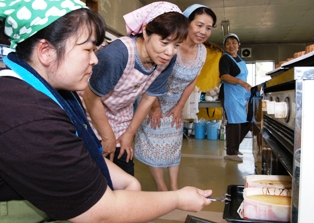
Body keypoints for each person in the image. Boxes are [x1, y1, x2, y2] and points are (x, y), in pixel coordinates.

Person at [0, 1, 214, 222]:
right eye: (88, 49)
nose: (95, 59)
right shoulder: (30, 118)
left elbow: (77, 152)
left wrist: (129, 178)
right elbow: (100, 212)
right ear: (46, 51)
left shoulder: (48, 90)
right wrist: (177, 199)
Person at [82, 2, 190, 176]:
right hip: (89, 112)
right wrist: (107, 136)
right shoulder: (117, 55)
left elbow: (148, 98)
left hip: (120, 115)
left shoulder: (166, 61)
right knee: (94, 174)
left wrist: (129, 134)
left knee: (124, 170)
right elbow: (90, 97)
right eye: (164, 42)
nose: (170, 52)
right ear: (146, 31)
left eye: (176, 45)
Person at [134, 4, 217, 191]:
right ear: (187, 23)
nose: (203, 31)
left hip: (176, 104)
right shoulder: (171, 46)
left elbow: (192, 81)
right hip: (153, 100)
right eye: (199, 25)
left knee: (173, 144)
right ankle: (162, 188)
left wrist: (180, 107)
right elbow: (150, 77)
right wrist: (154, 108)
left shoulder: (202, 51)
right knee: (155, 144)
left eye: (209, 28)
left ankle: (174, 187)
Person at [219, 33, 252, 162]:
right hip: (230, 95)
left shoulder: (239, 59)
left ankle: (234, 147)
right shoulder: (225, 59)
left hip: (241, 94)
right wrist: (240, 82)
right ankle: (231, 153)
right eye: (228, 44)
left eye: (233, 43)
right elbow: (224, 76)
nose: (231, 46)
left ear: (238, 45)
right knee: (234, 123)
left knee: (248, 121)